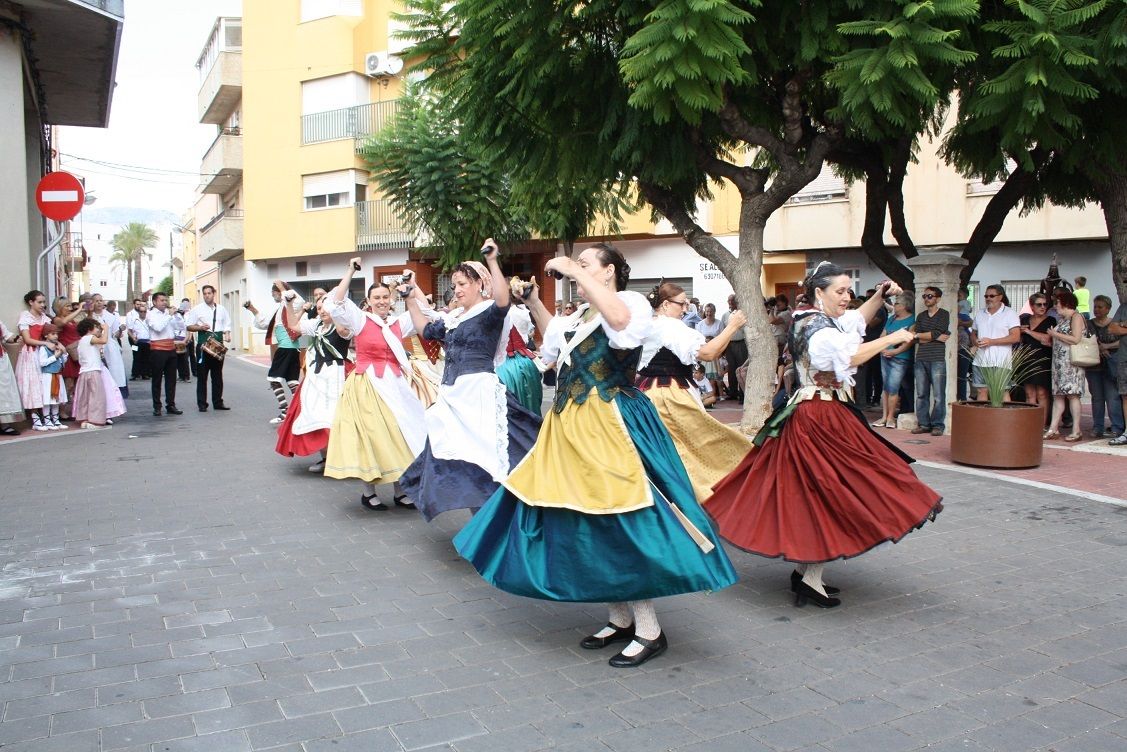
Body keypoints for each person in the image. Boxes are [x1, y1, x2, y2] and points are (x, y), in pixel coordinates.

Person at [454, 243, 737, 668]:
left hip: (610, 424)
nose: (576, 271)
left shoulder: (631, 302)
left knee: (621, 518)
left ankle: (649, 628)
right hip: (570, 425)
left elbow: (620, 324)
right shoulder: (579, 315)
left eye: (586, 265)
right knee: (582, 518)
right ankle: (619, 617)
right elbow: (556, 348)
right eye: (577, 265)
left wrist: (571, 269)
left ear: (608, 273)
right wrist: (533, 302)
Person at [705, 264, 942, 609]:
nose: (846, 297)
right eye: (840, 291)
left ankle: (807, 576)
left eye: (848, 290)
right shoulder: (817, 327)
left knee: (818, 492)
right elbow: (848, 355)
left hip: (820, 413)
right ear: (819, 293)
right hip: (819, 416)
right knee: (833, 492)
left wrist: (877, 296)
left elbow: (854, 321)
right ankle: (809, 578)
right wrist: (890, 338)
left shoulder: (819, 320)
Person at [398, 242, 542, 521]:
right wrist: (409, 299)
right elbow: (425, 330)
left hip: (478, 394)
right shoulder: (453, 318)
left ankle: (496, 519)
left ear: (479, 284)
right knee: (457, 457)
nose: (457, 290)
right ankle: (483, 521)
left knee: (488, 457)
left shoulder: (489, 312)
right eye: (454, 286)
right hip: (453, 396)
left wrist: (492, 261)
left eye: (462, 283)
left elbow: (503, 300)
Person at [322, 261, 427, 509]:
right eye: (376, 297)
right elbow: (336, 302)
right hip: (367, 386)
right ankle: (368, 492)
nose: (381, 301)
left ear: (391, 300)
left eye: (384, 297)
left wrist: (413, 282)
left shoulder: (399, 323)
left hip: (396, 385)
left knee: (400, 434)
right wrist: (350, 271)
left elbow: (423, 308)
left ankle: (400, 491)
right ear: (368, 301)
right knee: (372, 437)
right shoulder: (360, 320)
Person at [636, 281, 752, 502]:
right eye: (682, 304)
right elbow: (708, 353)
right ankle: (709, 495)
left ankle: (669, 498)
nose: (685, 309)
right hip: (668, 395)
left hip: (647, 392)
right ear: (666, 304)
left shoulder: (650, 325)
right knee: (700, 444)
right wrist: (733, 326)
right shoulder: (670, 326)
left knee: (667, 449)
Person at [276, 296, 353, 473]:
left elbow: (346, 331)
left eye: (325, 307)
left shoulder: (342, 326)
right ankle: (325, 457)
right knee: (314, 415)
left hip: (338, 374)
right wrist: (288, 304)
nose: (322, 311)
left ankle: (343, 457)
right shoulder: (316, 325)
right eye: (319, 308)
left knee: (338, 417)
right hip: (317, 376)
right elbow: (294, 326)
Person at [248, 282, 305, 424]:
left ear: (280, 292)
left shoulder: (290, 303)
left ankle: (286, 410)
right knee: (292, 382)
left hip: (286, 348)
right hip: (292, 349)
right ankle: (302, 409)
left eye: (273, 292)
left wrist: (281, 286)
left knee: (273, 379)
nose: (272, 295)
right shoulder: (281, 308)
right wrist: (252, 309)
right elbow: (265, 323)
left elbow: (298, 300)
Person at [495, 276, 544, 415]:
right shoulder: (522, 312)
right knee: (529, 403)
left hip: (505, 365)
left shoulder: (502, 313)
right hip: (526, 362)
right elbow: (530, 333)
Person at [1044, 291, 1087, 441]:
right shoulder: (1063, 319)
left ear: (1066, 303)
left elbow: (1076, 339)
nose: (1056, 306)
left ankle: (1076, 429)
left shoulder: (1076, 317)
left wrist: (1054, 335)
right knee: (1058, 396)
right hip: (1059, 363)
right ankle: (1053, 428)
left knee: (1073, 395)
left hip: (1071, 363)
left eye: (1057, 303)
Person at [185, 285, 232, 412]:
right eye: (204, 293)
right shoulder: (197, 309)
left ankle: (218, 402)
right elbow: (189, 326)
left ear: (214, 294)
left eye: (209, 293)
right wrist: (200, 328)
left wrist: (227, 334)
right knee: (202, 376)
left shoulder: (221, 309)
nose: (207, 295)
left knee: (217, 375)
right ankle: (202, 404)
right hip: (203, 346)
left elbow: (227, 324)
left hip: (217, 345)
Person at [970, 285, 1021, 402]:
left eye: (992, 296)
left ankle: (1005, 420)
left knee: (1002, 391)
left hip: (1001, 360)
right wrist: (975, 341)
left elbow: (1015, 337)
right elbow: (973, 333)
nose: (988, 298)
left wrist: (991, 341)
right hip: (980, 360)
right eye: (986, 296)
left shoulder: (1010, 313)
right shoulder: (980, 313)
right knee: (981, 391)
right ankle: (982, 419)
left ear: (1000, 297)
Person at [911, 287, 951, 436]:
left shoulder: (944, 314)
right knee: (921, 393)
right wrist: (933, 337)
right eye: (924, 296)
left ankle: (937, 425)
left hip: (937, 359)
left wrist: (922, 336)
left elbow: (934, 332)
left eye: (930, 296)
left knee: (939, 395)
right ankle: (923, 424)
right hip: (921, 358)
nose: (926, 299)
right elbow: (918, 337)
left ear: (938, 298)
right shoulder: (921, 316)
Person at [70, 318, 121, 429]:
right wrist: (106, 329)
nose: (99, 329)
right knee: (97, 397)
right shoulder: (89, 338)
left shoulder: (82, 340)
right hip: (93, 372)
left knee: (86, 397)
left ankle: (85, 419)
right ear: (89, 329)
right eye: (97, 327)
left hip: (84, 372)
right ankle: (95, 421)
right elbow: (103, 340)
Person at [1087, 295, 1125, 439]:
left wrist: (1106, 347)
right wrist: (1099, 348)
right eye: (1095, 306)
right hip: (1094, 365)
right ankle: (1098, 427)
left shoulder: (1114, 324)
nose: (1096, 309)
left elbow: (1122, 341)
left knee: (1113, 397)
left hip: (1112, 364)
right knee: (1097, 397)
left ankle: (1117, 427)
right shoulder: (1089, 323)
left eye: (1100, 307)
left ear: (1108, 309)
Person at [874, 297, 914, 430]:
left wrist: (895, 352)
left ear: (905, 305)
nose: (894, 305)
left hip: (900, 358)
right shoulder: (891, 319)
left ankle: (891, 417)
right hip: (885, 356)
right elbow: (883, 335)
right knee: (886, 387)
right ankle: (884, 416)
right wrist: (883, 348)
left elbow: (909, 341)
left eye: (897, 303)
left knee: (893, 387)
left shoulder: (912, 320)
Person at [16, 290, 53, 431]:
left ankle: (46, 415)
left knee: (45, 383)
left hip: (43, 353)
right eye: (40, 302)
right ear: (31, 302)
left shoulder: (45, 318)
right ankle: (35, 416)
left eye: (44, 302)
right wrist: (45, 344)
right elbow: (27, 339)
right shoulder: (26, 317)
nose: (43, 305)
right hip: (30, 353)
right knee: (32, 383)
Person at [143, 291, 183, 417]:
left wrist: (176, 316)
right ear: (154, 302)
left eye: (165, 300)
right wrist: (169, 316)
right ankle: (157, 406)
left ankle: (170, 404)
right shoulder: (150, 315)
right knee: (157, 379)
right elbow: (158, 328)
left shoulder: (168, 314)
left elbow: (180, 327)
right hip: (158, 349)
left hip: (171, 348)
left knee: (171, 379)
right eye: (161, 300)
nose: (164, 303)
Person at [1016, 293, 1053, 424]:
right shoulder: (1024, 320)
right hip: (1026, 359)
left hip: (1043, 359)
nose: (1042, 307)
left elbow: (1047, 339)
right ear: (1032, 306)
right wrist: (1020, 332)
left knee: (1042, 393)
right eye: (1039, 304)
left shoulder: (1051, 321)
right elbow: (1018, 340)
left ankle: (1041, 425)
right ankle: (1029, 423)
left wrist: (1028, 332)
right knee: (1029, 394)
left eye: (1045, 304)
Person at [51, 296, 83, 420]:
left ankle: (74, 409)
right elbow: (63, 323)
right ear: (59, 308)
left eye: (70, 306)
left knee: (76, 384)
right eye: (67, 306)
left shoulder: (72, 320)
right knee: (68, 384)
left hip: (76, 353)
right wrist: (78, 309)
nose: (70, 308)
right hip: (67, 354)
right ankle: (61, 411)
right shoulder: (57, 319)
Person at [92, 294, 127, 399]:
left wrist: (120, 330)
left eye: (101, 300)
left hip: (109, 346)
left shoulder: (110, 316)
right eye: (96, 300)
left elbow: (115, 334)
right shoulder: (90, 316)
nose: (99, 302)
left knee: (113, 372)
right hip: (95, 345)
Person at [36, 323, 69, 430]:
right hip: (48, 376)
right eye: (53, 334)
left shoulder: (57, 347)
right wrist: (55, 356)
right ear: (46, 335)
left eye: (57, 334)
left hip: (58, 375)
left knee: (56, 399)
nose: (56, 336)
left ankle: (56, 420)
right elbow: (42, 363)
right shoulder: (43, 348)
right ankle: (47, 420)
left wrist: (63, 353)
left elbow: (63, 361)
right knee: (48, 398)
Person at [721, 294, 748, 401]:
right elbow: (723, 331)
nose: (731, 303)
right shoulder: (724, 316)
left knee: (740, 368)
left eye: (733, 301)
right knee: (731, 369)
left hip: (741, 343)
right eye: (729, 301)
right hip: (729, 344)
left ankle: (742, 394)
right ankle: (732, 393)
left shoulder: (742, 313)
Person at [694, 303, 724, 399]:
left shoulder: (719, 323)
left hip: (716, 352)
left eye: (711, 311)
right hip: (704, 352)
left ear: (714, 312)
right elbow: (697, 339)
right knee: (704, 373)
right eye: (707, 311)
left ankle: (715, 394)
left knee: (715, 376)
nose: (708, 313)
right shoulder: (700, 324)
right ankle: (705, 395)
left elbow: (723, 338)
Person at [0, 319, 24, 434]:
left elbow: (6, 336)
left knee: (4, 391)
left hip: (0, 360)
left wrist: (16, 338)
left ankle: (4, 425)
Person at [126, 299, 151, 381]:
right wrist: (133, 338)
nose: (143, 313)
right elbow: (129, 330)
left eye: (144, 312)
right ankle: (135, 374)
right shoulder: (133, 318)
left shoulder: (149, 320)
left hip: (147, 342)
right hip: (136, 342)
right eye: (141, 312)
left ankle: (145, 374)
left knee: (146, 358)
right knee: (136, 357)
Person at [956, 288, 973, 401]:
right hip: (959, 346)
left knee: (961, 376)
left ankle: (961, 399)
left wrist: (961, 323)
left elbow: (970, 322)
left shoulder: (961, 305)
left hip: (963, 347)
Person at [173, 304, 192, 383]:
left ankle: (186, 376)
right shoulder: (173, 320)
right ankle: (181, 376)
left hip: (183, 340)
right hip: (176, 340)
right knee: (177, 360)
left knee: (184, 359)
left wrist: (185, 341)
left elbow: (188, 331)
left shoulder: (186, 320)